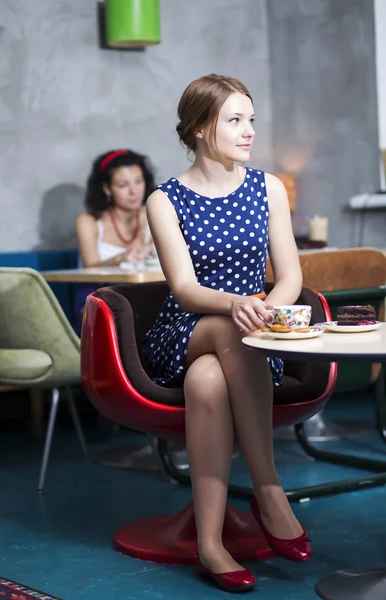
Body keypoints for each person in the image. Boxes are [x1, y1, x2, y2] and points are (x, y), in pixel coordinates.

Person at [142, 74, 307, 592]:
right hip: (185, 330)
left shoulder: (269, 188)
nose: (248, 131)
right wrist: (240, 307)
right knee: (226, 331)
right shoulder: (164, 201)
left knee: (208, 383)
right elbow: (187, 291)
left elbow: (291, 279)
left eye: (250, 119)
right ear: (196, 128)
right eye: (234, 120)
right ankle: (268, 487)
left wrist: (263, 311)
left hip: (252, 337)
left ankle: (210, 545)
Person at [76, 149, 156, 268]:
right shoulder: (88, 222)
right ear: (106, 188)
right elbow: (90, 269)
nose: (134, 191)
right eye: (122, 184)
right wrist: (119, 258)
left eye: (139, 181)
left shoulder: (154, 219)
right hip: (99, 287)